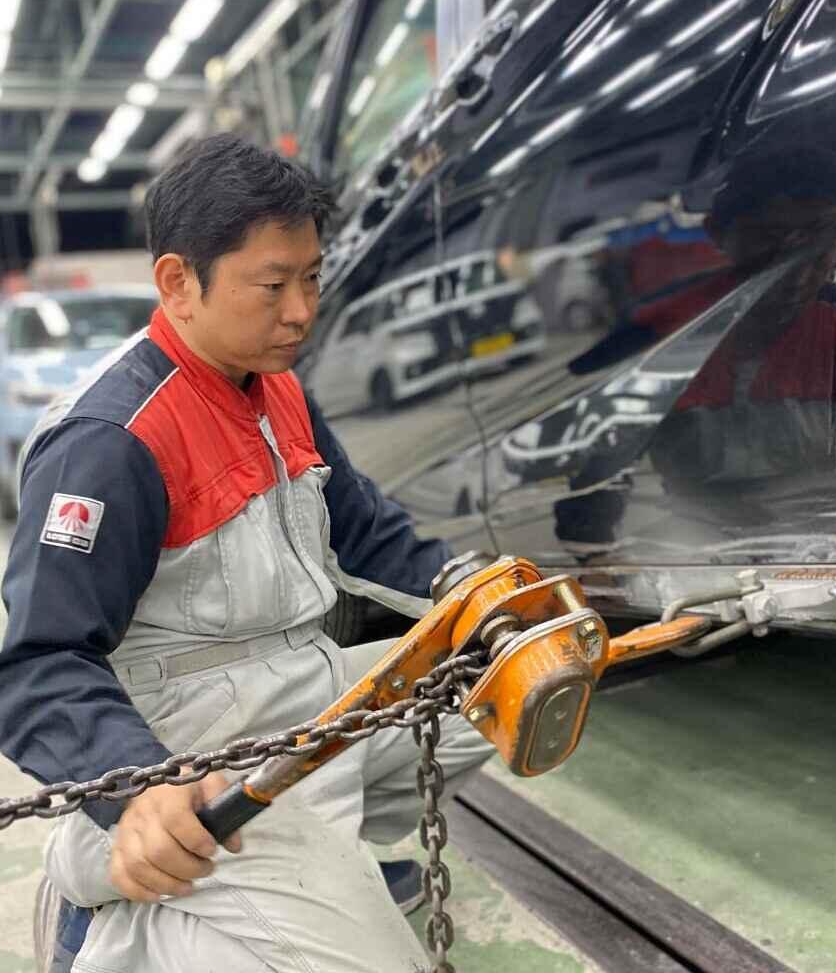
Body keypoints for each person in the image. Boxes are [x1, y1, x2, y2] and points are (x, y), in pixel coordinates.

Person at [0, 134, 491, 973]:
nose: (301, 310)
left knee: (482, 688)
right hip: (192, 739)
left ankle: (321, 863)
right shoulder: (111, 441)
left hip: (292, 684)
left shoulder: (277, 387)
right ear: (177, 283)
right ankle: (108, 884)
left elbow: (363, 526)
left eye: (312, 278)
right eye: (273, 285)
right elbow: (40, 660)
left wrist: (478, 592)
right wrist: (138, 784)